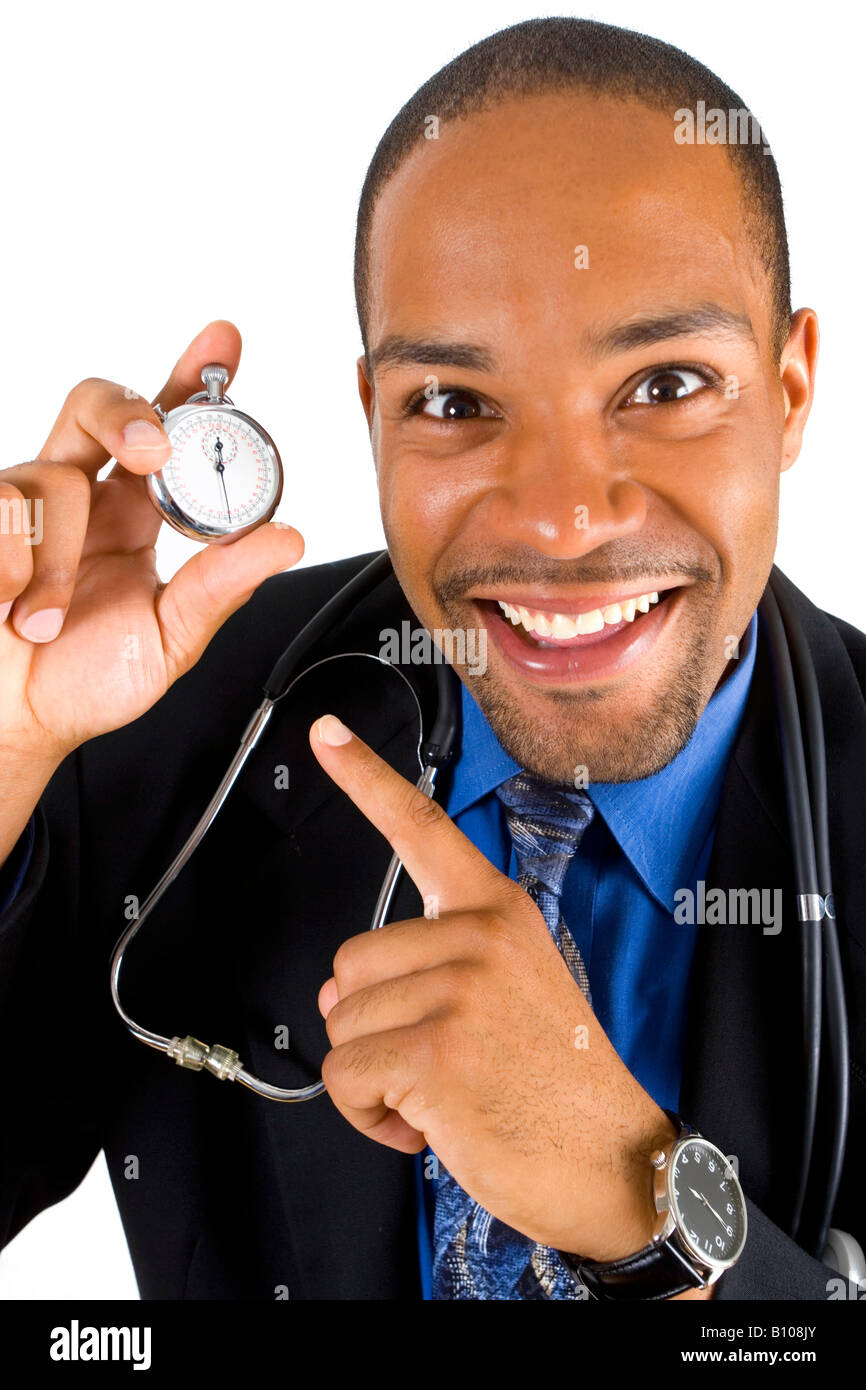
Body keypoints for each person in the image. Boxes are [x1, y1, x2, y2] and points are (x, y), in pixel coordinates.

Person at [0, 17, 862, 1302]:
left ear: (789, 390)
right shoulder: (156, 730)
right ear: (371, 418)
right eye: (453, 405)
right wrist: (7, 752)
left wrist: (635, 1194)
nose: (564, 519)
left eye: (665, 382)